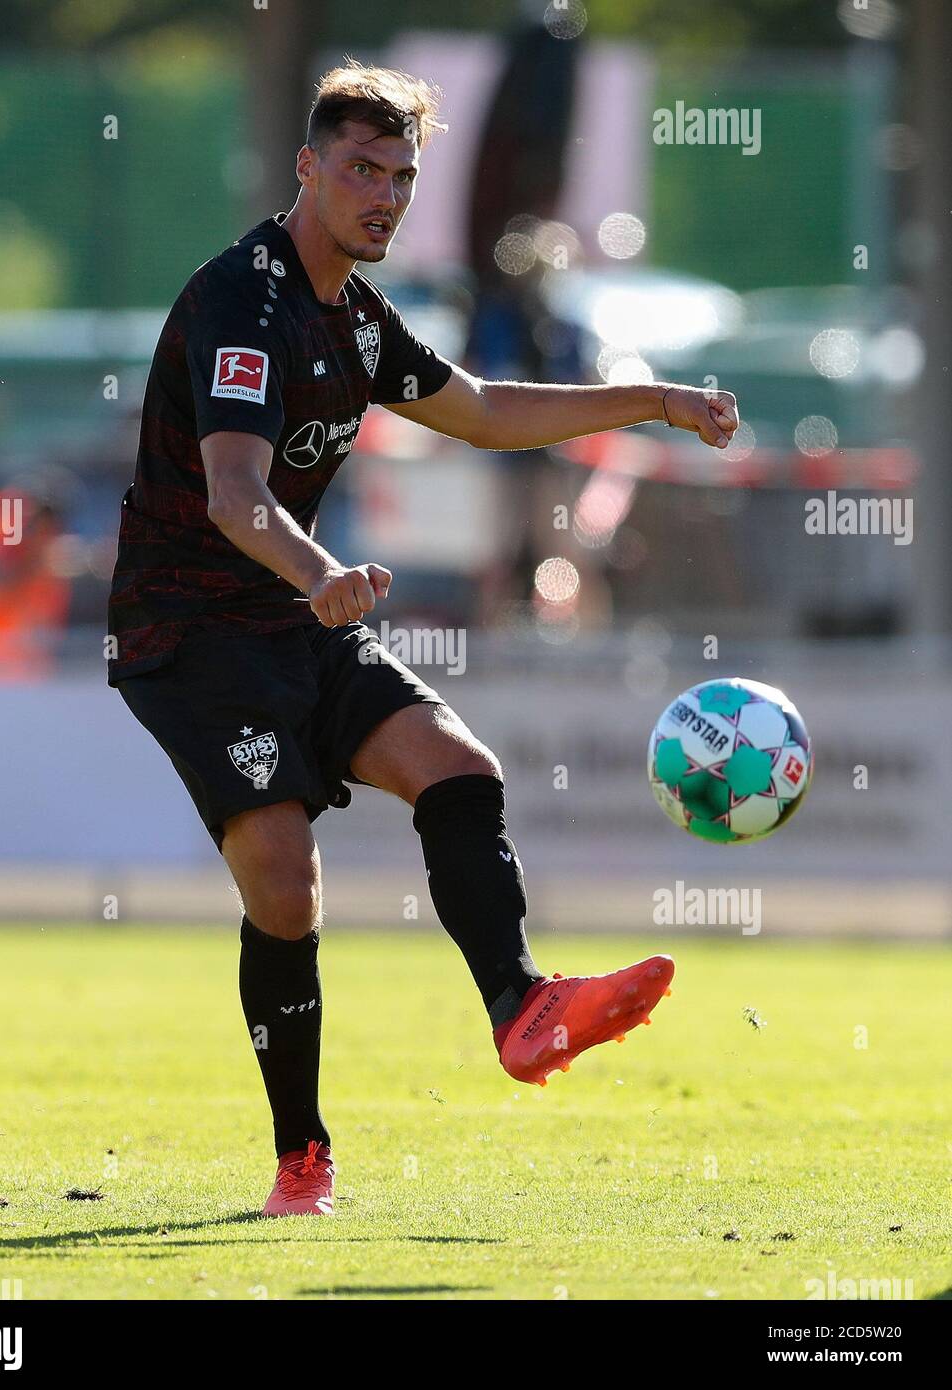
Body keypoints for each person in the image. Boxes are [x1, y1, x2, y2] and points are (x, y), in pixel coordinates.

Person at [107, 61, 739, 1217]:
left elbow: (487, 410)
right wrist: (321, 573)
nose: (383, 195)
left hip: (300, 608)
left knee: (459, 771)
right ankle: (302, 1158)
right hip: (190, 628)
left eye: (400, 175)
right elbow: (235, 494)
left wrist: (652, 401)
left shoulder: (356, 316)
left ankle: (520, 1008)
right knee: (286, 885)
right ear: (307, 167)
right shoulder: (239, 301)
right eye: (359, 169)